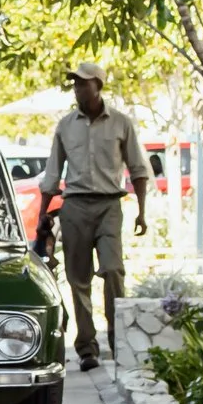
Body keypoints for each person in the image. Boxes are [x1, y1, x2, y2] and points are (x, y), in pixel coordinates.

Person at [34, 61, 151, 371]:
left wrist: (142, 212)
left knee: (113, 271)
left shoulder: (121, 124)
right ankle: (88, 348)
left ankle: (119, 340)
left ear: (98, 86)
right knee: (78, 278)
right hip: (75, 206)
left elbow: (138, 169)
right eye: (75, 84)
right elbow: (52, 174)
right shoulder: (65, 125)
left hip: (109, 205)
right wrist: (42, 218)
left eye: (83, 83)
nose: (77, 88)